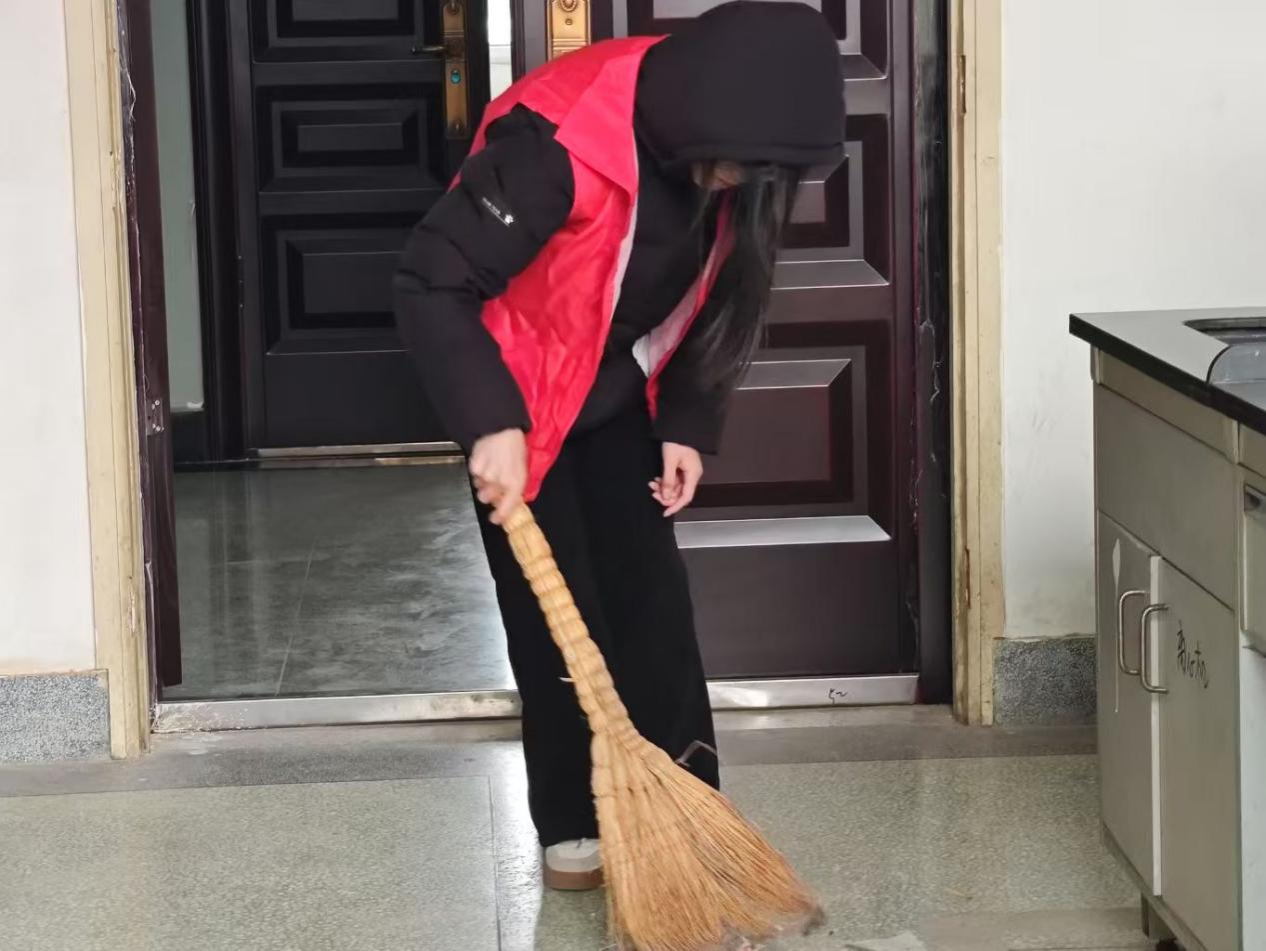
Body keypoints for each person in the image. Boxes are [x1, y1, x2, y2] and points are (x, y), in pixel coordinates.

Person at [393, 0, 844, 891]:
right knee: (555, 615)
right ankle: (573, 818)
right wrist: (491, 422)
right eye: (742, 166)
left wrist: (687, 424)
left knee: (651, 604)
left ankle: (686, 808)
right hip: (518, 400)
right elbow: (429, 280)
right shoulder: (555, 142)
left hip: (616, 390)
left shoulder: (733, 152)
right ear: (701, 115)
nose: (743, 183)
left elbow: (723, 291)